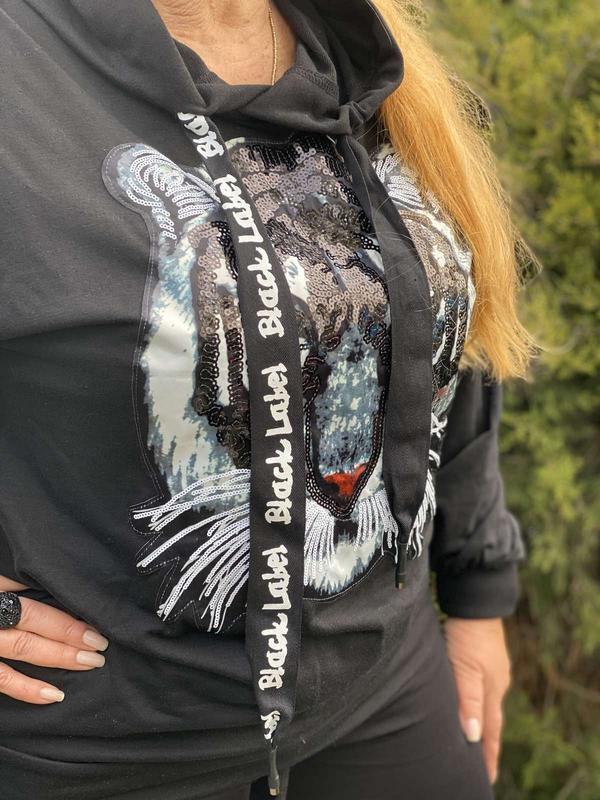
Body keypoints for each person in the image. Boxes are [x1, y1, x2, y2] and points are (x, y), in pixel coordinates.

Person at [0, 1, 533, 798]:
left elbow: (443, 341)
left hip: (387, 684)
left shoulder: (358, 39)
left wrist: (479, 594)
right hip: (105, 744)